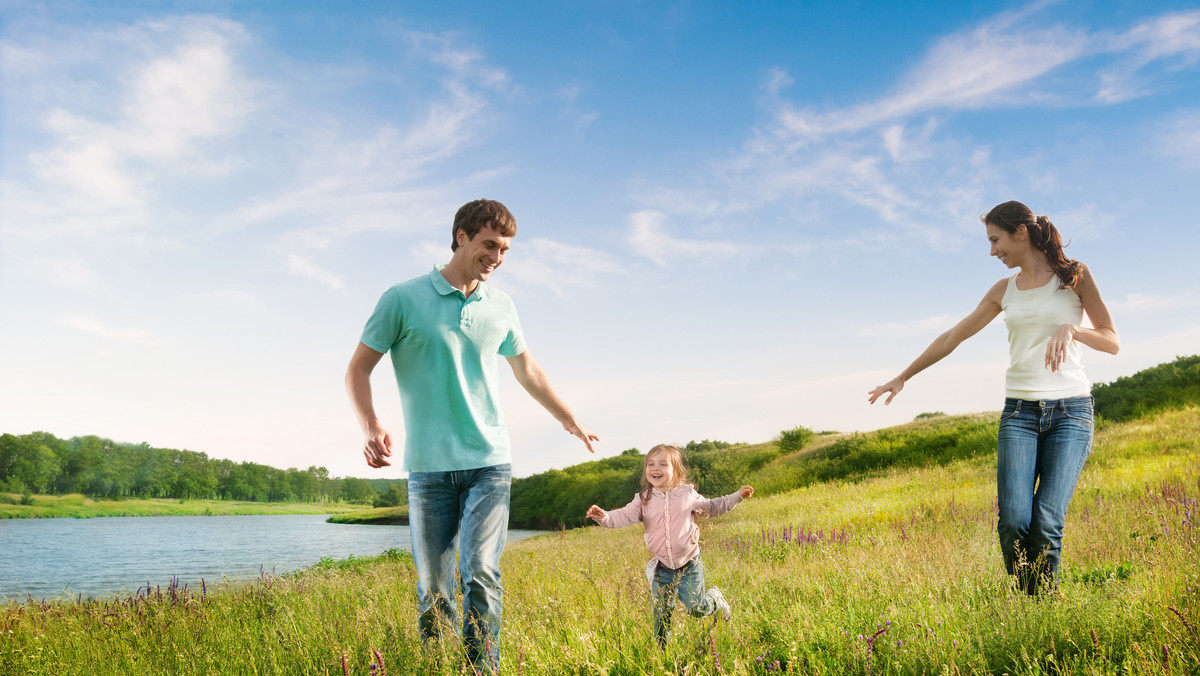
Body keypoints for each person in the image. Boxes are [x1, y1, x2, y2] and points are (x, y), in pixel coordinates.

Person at [345, 199, 599, 674]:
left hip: (489, 462)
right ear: (461, 236)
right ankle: (441, 667)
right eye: (490, 245)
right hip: (428, 469)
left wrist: (569, 419)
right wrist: (371, 426)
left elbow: (529, 370)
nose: (497, 257)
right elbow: (357, 369)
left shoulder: (500, 305)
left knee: (480, 572)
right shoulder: (401, 298)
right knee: (434, 589)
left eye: (505, 249)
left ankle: (482, 670)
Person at [868, 200, 1119, 595]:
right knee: (1014, 521)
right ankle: (1028, 600)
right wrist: (903, 377)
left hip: (1071, 411)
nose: (992, 251)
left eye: (995, 240)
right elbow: (954, 336)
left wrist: (1073, 331)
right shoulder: (1004, 290)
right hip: (1019, 413)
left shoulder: (1075, 276)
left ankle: (1040, 609)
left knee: (1047, 521)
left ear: (1021, 231)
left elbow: (1112, 340)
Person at [586, 444, 753, 647]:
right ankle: (662, 651)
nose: (655, 468)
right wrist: (604, 517)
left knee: (696, 608)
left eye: (663, 464)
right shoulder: (643, 500)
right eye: (651, 464)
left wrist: (737, 496)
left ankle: (715, 599)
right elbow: (621, 516)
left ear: (676, 470)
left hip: (689, 562)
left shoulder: (686, 494)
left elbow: (713, 507)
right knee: (661, 611)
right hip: (662, 567)